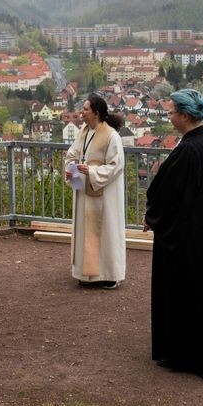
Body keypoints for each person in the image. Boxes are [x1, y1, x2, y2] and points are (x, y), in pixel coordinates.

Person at [143, 88, 203, 382]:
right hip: (202, 233)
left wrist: (153, 216)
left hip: (188, 239)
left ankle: (188, 354)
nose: (169, 118)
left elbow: (169, 191)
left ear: (185, 116)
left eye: (171, 112)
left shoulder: (188, 149)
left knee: (187, 292)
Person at [64, 93, 126, 288]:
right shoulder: (84, 132)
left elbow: (116, 166)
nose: (81, 113)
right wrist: (71, 169)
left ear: (96, 113)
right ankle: (87, 273)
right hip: (85, 191)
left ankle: (109, 275)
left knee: (105, 232)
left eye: (85, 109)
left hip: (104, 195)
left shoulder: (111, 136)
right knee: (85, 232)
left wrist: (91, 171)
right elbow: (73, 154)